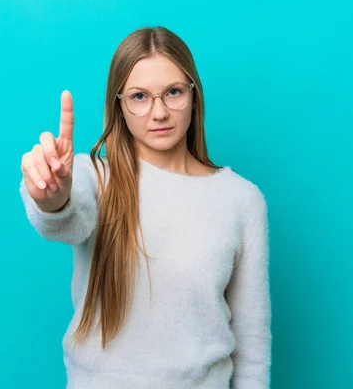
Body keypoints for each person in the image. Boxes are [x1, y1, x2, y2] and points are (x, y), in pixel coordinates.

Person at [19, 26, 271, 388]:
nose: (159, 112)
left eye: (173, 92)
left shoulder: (241, 200)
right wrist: (51, 195)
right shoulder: (95, 178)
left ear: (194, 96)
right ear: (119, 104)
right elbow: (64, 219)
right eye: (139, 96)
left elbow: (251, 345)